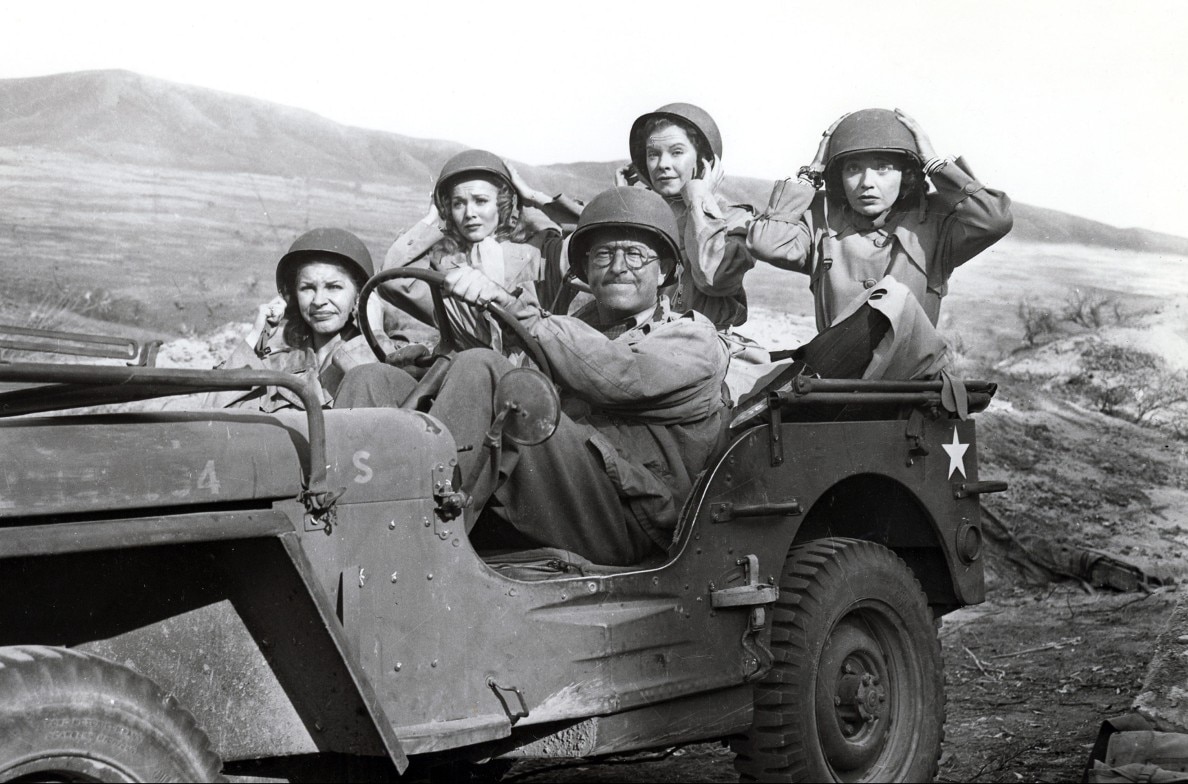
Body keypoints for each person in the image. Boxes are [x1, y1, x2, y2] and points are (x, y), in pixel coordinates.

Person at [337, 187, 730, 567]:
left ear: (665, 272)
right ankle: (342, 527)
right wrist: (430, 370)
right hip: (561, 493)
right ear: (584, 270)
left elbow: (614, 373)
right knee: (375, 380)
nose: (618, 267)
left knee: (485, 370)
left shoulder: (693, 337)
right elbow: (531, 377)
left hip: (631, 516)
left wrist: (506, 304)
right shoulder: (574, 328)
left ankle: (410, 544)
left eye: (636, 255)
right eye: (603, 254)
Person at [746, 108, 1013, 380]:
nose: (866, 183)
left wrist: (934, 163)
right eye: (853, 168)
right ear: (838, 177)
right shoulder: (820, 221)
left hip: (912, 387)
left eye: (883, 168)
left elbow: (994, 220)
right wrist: (811, 173)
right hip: (835, 383)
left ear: (906, 174)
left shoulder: (936, 222)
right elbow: (767, 243)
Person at [376, 149, 573, 358]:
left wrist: (534, 198)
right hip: (469, 379)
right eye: (458, 203)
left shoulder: (540, 253)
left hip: (538, 379)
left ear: (502, 204)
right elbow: (390, 278)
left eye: (480, 201)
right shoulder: (445, 269)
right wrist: (433, 217)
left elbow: (595, 241)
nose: (469, 213)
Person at [207, 228, 387, 411]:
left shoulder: (396, 357)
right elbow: (216, 414)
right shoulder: (278, 366)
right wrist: (258, 337)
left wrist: (375, 338)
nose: (318, 301)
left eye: (333, 287)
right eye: (307, 288)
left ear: (360, 294)